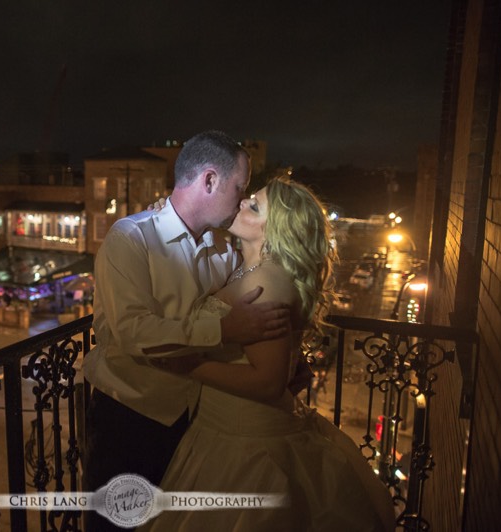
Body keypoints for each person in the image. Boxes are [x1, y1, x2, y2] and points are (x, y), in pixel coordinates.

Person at [139, 176, 395, 531]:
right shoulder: (247, 268)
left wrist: (190, 365)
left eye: (255, 206)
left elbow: (268, 382)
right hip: (224, 427)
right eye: (249, 198)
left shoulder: (267, 282)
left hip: (246, 447)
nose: (242, 202)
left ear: (276, 232)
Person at [82, 130, 292, 531]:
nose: (242, 198)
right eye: (239, 187)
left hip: (197, 424)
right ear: (210, 180)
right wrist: (223, 330)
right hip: (130, 420)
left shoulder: (225, 248)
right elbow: (132, 331)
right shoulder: (131, 239)